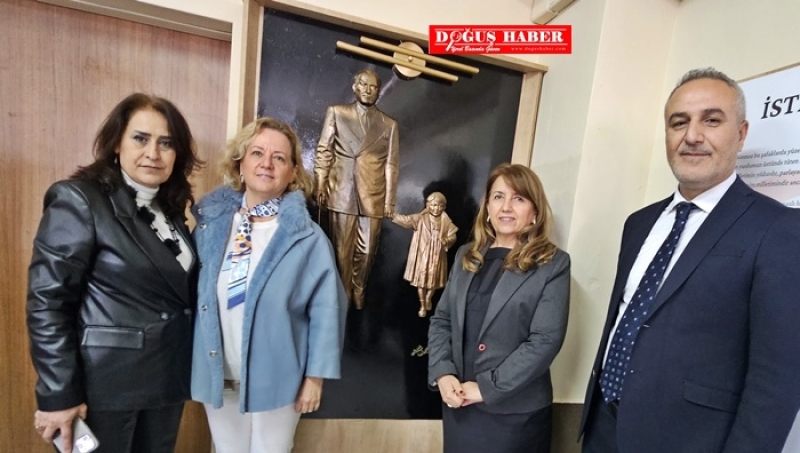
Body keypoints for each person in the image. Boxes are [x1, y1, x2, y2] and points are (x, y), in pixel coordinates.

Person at [580, 68, 800, 453]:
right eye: (678, 123)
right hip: (603, 428)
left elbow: (778, 380)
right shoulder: (639, 223)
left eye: (711, 121)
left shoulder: (778, 229)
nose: (692, 136)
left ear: (741, 133)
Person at [27, 93, 201, 453]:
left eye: (166, 143)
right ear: (117, 144)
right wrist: (58, 393)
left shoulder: (171, 211)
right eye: (140, 138)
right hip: (104, 389)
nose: (153, 153)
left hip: (165, 384)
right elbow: (48, 304)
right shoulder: (80, 200)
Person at [191, 117, 347, 453]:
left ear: (293, 172)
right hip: (218, 372)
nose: (267, 163)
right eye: (257, 153)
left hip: (279, 376)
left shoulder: (306, 238)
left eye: (279, 157)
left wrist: (315, 378)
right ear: (240, 163)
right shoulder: (208, 227)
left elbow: (327, 311)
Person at [428, 163, 571, 453]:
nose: (506, 207)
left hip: (515, 416)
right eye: (498, 197)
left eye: (518, 198)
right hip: (460, 405)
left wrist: (486, 387)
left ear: (534, 212)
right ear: (488, 208)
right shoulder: (466, 256)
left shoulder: (553, 264)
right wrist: (443, 373)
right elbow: (443, 320)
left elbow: (544, 340)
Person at [314, 68, 400, 309]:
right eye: (363, 84)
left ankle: (359, 287)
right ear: (355, 87)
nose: (368, 90)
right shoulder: (337, 112)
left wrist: (389, 200)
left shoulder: (389, 124)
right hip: (342, 191)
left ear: (379, 91)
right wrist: (320, 183)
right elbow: (324, 150)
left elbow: (391, 164)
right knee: (342, 251)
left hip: (373, 195)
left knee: (368, 250)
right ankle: (342, 297)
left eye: (373, 86)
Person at [392, 191, 458, 317]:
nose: (436, 208)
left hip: (437, 255)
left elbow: (453, 236)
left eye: (440, 206)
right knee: (421, 280)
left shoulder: (446, 221)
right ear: (428, 205)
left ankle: (429, 297)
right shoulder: (421, 218)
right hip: (423, 255)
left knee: (434, 280)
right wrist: (392, 215)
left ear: (444, 207)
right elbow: (406, 220)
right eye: (434, 205)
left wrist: (446, 241)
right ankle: (422, 304)